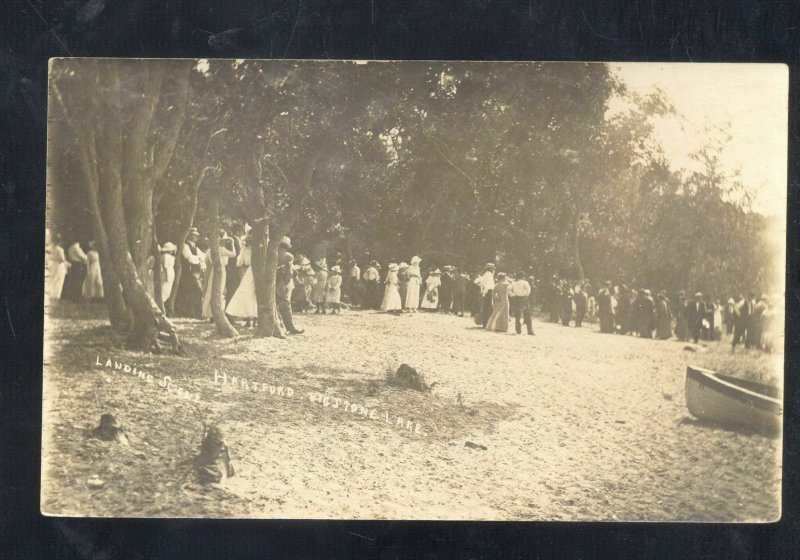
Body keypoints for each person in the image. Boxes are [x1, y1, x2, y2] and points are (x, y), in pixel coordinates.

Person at [201, 233, 237, 321]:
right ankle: (214, 313)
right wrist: (232, 243)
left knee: (212, 290)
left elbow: (207, 261)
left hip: (214, 270)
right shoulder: (221, 249)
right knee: (219, 290)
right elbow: (233, 254)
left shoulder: (210, 250)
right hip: (221, 270)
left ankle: (211, 313)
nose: (224, 242)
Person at [225, 237, 257, 326]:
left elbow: (238, 263)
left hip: (249, 271)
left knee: (246, 293)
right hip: (256, 271)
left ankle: (249, 319)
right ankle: (254, 319)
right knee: (253, 294)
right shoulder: (258, 250)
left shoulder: (244, 251)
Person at [175, 228, 206, 318]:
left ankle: (195, 313)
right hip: (186, 272)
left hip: (193, 273)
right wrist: (199, 259)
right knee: (196, 291)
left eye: (197, 235)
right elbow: (190, 259)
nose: (196, 236)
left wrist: (200, 259)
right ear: (189, 235)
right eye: (194, 235)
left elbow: (203, 257)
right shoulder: (185, 245)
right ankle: (193, 313)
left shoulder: (195, 247)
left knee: (196, 292)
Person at [276, 252, 303, 334]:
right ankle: (289, 327)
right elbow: (294, 279)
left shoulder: (279, 268)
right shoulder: (290, 268)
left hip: (280, 289)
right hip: (284, 289)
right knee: (286, 308)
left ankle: (283, 326)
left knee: (279, 308)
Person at [225, 223, 244, 305]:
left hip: (235, 267)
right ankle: (228, 311)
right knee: (231, 289)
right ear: (238, 232)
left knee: (234, 288)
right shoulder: (233, 240)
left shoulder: (237, 240)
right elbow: (234, 256)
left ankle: (231, 310)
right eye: (241, 231)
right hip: (232, 268)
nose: (242, 233)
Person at [47, 235, 70, 300]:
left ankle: (51, 295)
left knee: (53, 279)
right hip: (59, 266)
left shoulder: (51, 249)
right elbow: (62, 259)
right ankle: (56, 296)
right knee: (59, 280)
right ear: (60, 242)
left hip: (53, 265)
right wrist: (68, 264)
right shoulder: (60, 249)